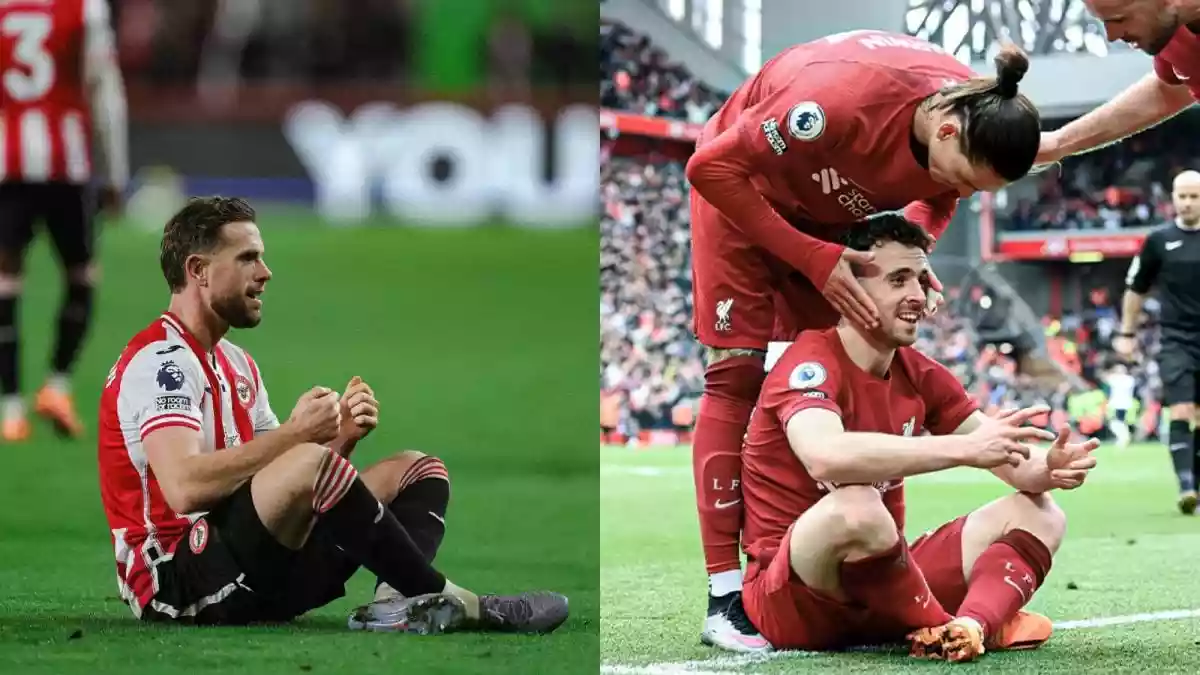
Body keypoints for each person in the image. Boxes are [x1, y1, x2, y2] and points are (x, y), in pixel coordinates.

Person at [682, 29, 1044, 652]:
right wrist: (811, 257)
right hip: (744, 194)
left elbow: (938, 196)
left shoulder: (971, 109)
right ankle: (724, 597)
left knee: (844, 353)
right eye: (963, 179)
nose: (959, 195)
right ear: (948, 130)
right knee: (735, 376)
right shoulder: (834, 104)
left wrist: (915, 249)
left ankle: (826, 561)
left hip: (834, 220)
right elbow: (709, 166)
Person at [97, 196, 569, 632]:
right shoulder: (162, 364)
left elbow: (278, 488)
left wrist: (340, 439)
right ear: (198, 270)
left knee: (416, 469)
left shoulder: (237, 364)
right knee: (308, 461)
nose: (265, 273)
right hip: (177, 582)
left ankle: (399, 606)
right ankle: (451, 600)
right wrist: (299, 435)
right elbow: (185, 488)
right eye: (247, 258)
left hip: (250, 570)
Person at [739, 214, 1098, 662]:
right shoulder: (808, 361)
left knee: (1041, 514)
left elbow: (1012, 462)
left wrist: (1048, 468)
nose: (918, 295)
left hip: (884, 584)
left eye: (921, 280)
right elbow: (825, 456)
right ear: (850, 290)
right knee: (857, 506)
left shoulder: (920, 373)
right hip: (798, 597)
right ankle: (940, 623)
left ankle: (969, 627)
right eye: (898, 279)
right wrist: (963, 450)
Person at [0, 0, 128, 440]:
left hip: (7, 166)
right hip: (65, 166)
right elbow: (105, 91)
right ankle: (57, 385)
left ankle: (11, 410)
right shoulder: (84, 9)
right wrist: (115, 174)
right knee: (82, 276)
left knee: (5, 284)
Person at [1119, 170, 1200, 514]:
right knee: (1181, 410)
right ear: (1172, 198)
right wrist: (1126, 333)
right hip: (1176, 340)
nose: (1187, 202)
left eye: (1194, 196)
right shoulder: (1158, 240)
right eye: (1181, 196)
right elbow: (1135, 289)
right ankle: (1186, 487)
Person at [1037, 0, 1200, 165]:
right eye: (1104, 21)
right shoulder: (1170, 30)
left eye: (1120, 19)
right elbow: (1169, 91)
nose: (1111, 36)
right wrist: (1058, 143)